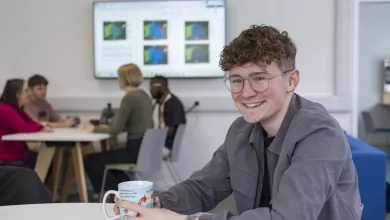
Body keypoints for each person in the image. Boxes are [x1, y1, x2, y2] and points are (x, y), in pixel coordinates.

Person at [113, 25, 362, 220]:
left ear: (291, 81)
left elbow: (288, 217)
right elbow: (204, 186)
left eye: (259, 78)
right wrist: (159, 204)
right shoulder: (241, 130)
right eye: (236, 80)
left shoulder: (320, 133)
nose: (246, 92)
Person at [83, 63, 153, 195]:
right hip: (144, 148)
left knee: (90, 160)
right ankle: (124, 193)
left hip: (134, 151)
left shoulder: (129, 97)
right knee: (109, 162)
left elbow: (114, 129)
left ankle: (109, 195)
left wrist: (93, 128)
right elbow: (135, 124)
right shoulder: (144, 95)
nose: (117, 80)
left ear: (124, 78)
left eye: (118, 77)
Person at [0, 79, 52, 168]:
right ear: (17, 94)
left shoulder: (17, 110)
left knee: (48, 161)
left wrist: (41, 126)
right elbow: (24, 128)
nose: (29, 94)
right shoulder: (5, 109)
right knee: (44, 162)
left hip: (18, 153)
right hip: (7, 157)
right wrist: (41, 127)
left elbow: (32, 123)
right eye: (26, 91)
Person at [150, 75, 186, 150]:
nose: (150, 90)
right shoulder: (159, 103)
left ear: (161, 87)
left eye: (152, 87)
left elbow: (170, 131)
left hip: (165, 146)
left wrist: (150, 136)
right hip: (160, 144)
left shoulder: (172, 103)